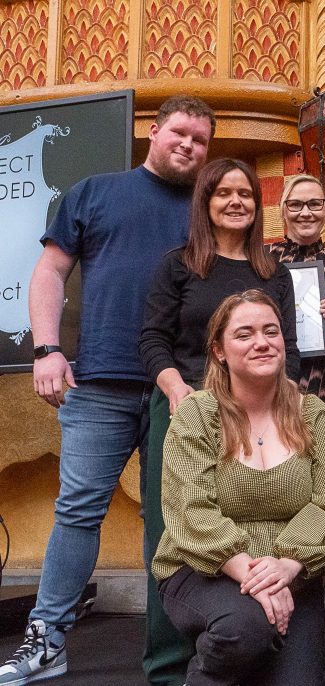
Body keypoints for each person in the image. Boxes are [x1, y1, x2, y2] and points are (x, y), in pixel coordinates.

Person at [0, 95, 214, 686]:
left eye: (200, 140)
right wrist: (46, 348)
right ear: (154, 131)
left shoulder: (209, 209)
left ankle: (176, 651)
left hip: (182, 389)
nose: (188, 145)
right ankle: (47, 640)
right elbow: (50, 271)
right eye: (179, 132)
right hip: (99, 383)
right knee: (78, 510)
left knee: (174, 519)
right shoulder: (94, 192)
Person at [139, 158, 301, 684]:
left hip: (258, 410)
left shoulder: (273, 272)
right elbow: (153, 339)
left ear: (257, 205)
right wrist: (177, 391)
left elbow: (289, 350)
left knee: (257, 518)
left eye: (245, 194)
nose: (236, 202)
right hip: (185, 405)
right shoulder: (178, 265)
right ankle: (169, 666)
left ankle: (238, 635)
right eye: (224, 193)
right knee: (173, 530)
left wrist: (286, 407)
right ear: (205, 203)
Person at [153, 289, 325, 686]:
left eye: (271, 331)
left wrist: (286, 567)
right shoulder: (196, 414)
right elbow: (190, 507)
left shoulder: (315, 416)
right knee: (244, 628)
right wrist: (255, 577)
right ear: (219, 350)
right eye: (245, 334)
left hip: (292, 571)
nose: (262, 342)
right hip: (206, 568)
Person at [268, 174, 325, 425]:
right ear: (283, 211)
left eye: (315, 204)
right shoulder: (262, 261)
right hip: (270, 387)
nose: (305, 212)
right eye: (295, 204)